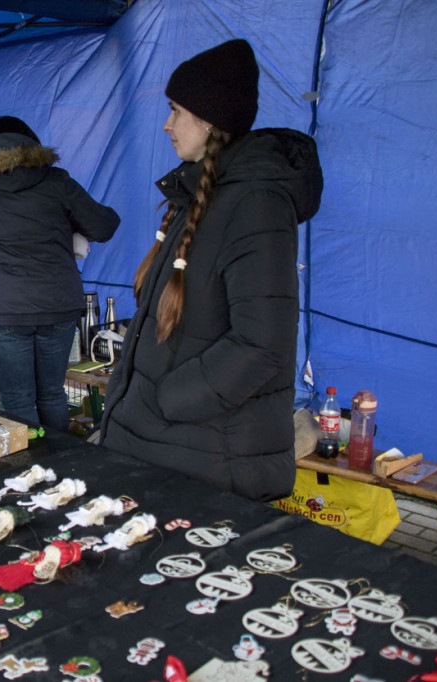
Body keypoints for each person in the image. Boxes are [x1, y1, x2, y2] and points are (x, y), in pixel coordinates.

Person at [99, 39, 323, 502]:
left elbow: (262, 345)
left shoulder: (256, 203)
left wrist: (167, 399)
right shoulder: (202, 191)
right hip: (166, 447)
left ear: (209, 120)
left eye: (176, 111)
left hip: (208, 458)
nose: (167, 124)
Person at [0, 116, 120, 431]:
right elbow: (103, 227)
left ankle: (31, 462)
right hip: (57, 304)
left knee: (17, 401)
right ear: (32, 144)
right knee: (52, 394)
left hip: (2, 306)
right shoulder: (58, 182)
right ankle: (60, 458)